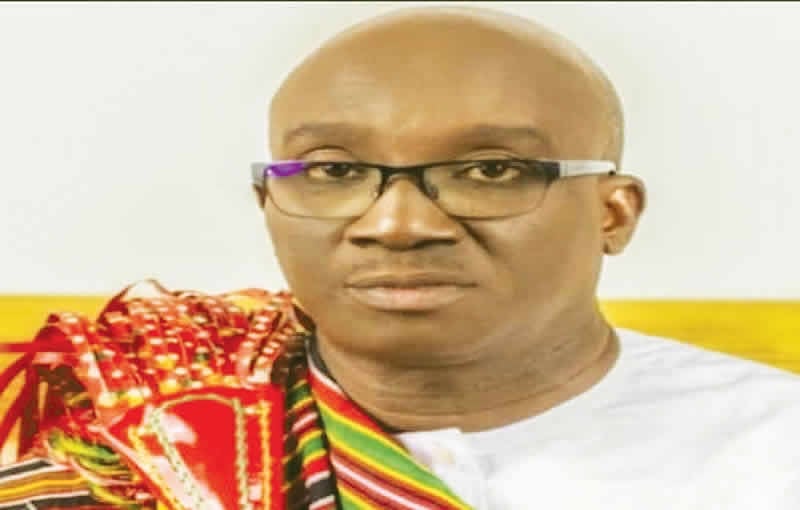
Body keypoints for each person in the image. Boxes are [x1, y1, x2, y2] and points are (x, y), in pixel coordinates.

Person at [1, 6, 799, 510]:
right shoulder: (131, 451)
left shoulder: (774, 453)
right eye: (334, 171)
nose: (397, 224)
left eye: (489, 170)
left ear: (613, 213)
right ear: (267, 203)